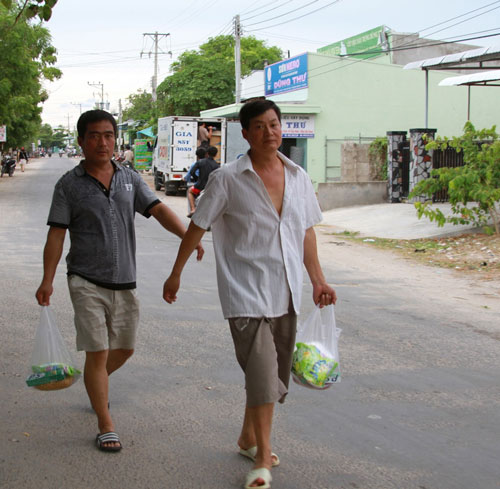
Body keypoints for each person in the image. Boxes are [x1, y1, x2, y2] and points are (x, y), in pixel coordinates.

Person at [163, 100, 336, 489]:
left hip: (287, 290)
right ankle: (261, 457)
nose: (269, 132)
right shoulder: (226, 178)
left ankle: (246, 437)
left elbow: (306, 231)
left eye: (274, 124)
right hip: (244, 291)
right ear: (245, 134)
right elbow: (198, 226)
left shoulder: (298, 177)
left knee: (270, 375)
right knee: (262, 373)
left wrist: (319, 280)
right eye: (259, 126)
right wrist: (176, 273)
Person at [35, 109, 204, 453]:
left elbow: (157, 210)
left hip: (125, 279)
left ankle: (95, 387)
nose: (103, 142)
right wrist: (47, 280)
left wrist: (189, 236)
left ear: (116, 139)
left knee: (124, 349)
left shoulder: (129, 178)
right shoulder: (68, 185)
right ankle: (105, 423)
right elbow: (56, 235)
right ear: (81, 141)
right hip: (85, 279)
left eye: (109, 135)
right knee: (97, 352)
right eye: (94, 136)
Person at [186, 146, 219, 218]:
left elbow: (192, 172)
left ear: (207, 153)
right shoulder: (217, 165)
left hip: (199, 187)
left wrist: (196, 179)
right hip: (210, 189)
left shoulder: (200, 162)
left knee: (190, 191)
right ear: (216, 155)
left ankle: (193, 209)